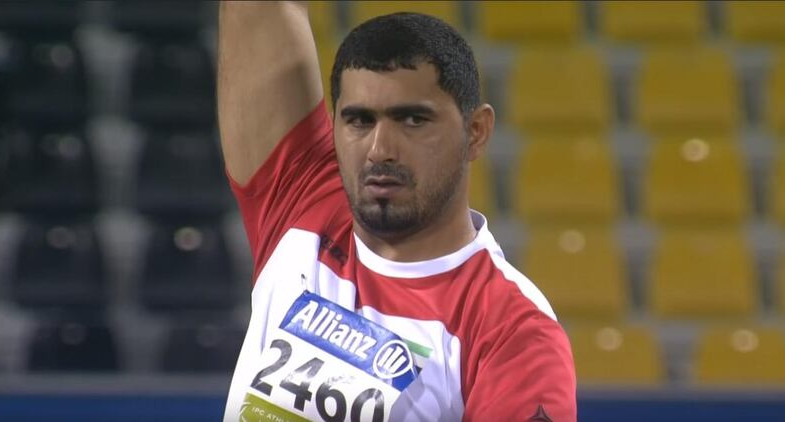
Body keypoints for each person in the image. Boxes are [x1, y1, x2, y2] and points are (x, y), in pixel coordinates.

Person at [217, 2, 576, 421]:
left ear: (475, 132)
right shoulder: (301, 202)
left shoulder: (513, 331)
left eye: (412, 120)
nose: (380, 150)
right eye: (359, 121)